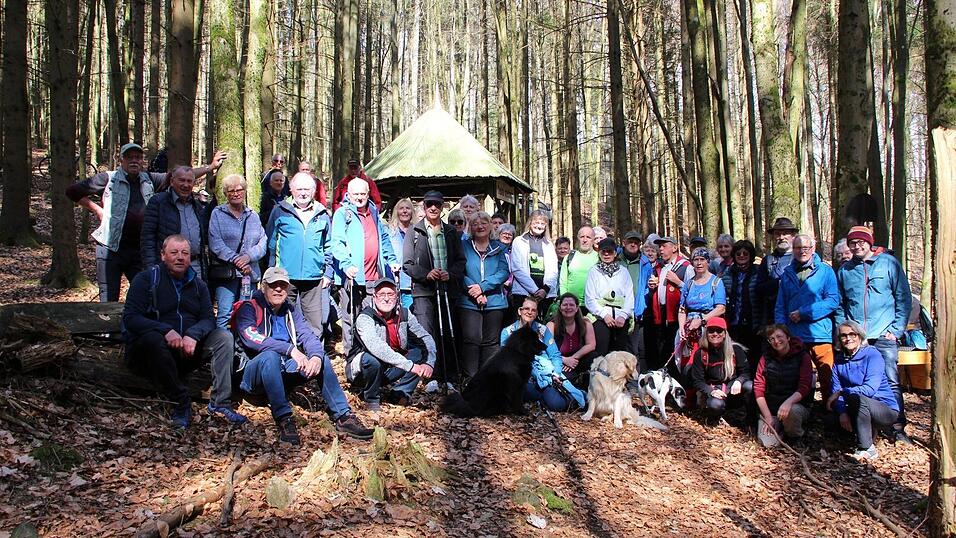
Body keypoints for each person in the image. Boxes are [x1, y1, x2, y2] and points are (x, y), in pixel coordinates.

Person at [66, 143, 225, 301]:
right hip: (110, 249)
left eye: (138, 157)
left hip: (139, 251)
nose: (134, 161)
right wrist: (96, 209)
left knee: (145, 294)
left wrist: (210, 167)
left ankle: (133, 325)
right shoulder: (108, 178)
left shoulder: (149, 179)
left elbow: (179, 177)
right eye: (129, 157)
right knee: (108, 298)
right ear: (121, 160)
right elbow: (73, 191)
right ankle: (109, 327)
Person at [234, 266, 374, 444]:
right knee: (270, 356)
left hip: (283, 370)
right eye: (273, 285)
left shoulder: (290, 310)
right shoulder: (249, 308)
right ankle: (284, 419)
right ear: (263, 287)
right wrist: (291, 350)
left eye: (283, 286)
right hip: (254, 375)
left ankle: (343, 416)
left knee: (322, 358)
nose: (278, 289)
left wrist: (315, 356)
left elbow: (307, 335)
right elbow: (252, 338)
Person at [122, 235, 241, 428]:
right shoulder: (146, 280)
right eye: (174, 253)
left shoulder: (198, 285)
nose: (180, 257)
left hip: (186, 353)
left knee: (224, 337)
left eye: (185, 253)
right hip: (151, 354)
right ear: (163, 255)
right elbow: (131, 318)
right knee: (153, 339)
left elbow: (208, 319)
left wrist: (193, 334)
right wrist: (165, 330)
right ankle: (181, 401)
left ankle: (221, 403)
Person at [836, 225, 912, 444]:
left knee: (890, 380)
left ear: (870, 243)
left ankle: (897, 428)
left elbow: (903, 298)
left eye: (861, 242)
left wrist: (895, 331)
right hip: (856, 339)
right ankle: (864, 427)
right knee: (856, 380)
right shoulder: (845, 271)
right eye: (853, 243)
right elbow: (841, 305)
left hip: (883, 336)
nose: (857, 246)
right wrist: (845, 331)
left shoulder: (889, 264)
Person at [404, 190, 466, 391]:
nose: (433, 208)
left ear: (442, 208)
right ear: (423, 206)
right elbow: (408, 263)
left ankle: (448, 375)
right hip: (424, 291)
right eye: (429, 204)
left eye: (437, 205)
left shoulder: (450, 232)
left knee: (447, 333)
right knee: (428, 333)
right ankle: (431, 375)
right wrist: (426, 274)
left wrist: (450, 274)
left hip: (447, 290)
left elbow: (460, 261)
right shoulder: (414, 232)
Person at [331, 178, 400, 353]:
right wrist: (346, 265)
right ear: (349, 194)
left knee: (372, 318)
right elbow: (337, 242)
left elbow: (383, 238)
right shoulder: (342, 213)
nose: (360, 197)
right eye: (356, 194)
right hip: (351, 277)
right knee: (350, 318)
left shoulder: (374, 211)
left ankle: (373, 354)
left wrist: (391, 260)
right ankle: (352, 355)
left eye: (363, 194)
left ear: (368, 193)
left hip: (373, 276)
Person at [348, 278, 437, 411]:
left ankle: (400, 392)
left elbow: (425, 338)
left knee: (418, 353)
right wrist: (410, 366)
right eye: (382, 294)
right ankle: (371, 399)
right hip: (362, 372)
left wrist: (429, 362)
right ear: (374, 297)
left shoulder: (405, 314)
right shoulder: (365, 317)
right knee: (371, 359)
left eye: (390, 294)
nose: (386, 299)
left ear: (397, 296)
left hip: (390, 368)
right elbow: (376, 347)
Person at [265, 173, 333, 339]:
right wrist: (271, 271)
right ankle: (286, 356)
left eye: (307, 189)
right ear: (291, 190)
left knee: (315, 323)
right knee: (283, 318)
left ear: (314, 191)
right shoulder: (280, 210)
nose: (303, 193)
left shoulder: (322, 213)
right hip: (285, 277)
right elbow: (271, 243)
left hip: (314, 278)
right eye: (299, 189)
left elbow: (328, 246)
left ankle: (315, 357)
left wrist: (328, 273)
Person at [775, 234, 839, 402]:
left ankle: (830, 413)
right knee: (799, 378)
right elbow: (781, 305)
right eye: (797, 248)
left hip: (820, 334)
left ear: (813, 249)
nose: (802, 251)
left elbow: (833, 301)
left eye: (805, 248)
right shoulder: (787, 273)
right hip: (795, 335)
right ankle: (802, 413)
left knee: (827, 377)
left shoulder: (825, 271)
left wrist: (804, 313)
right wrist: (781, 331)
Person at [827, 320, 900, 461]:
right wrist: (842, 412)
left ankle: (867, 448)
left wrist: (842, 392)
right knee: (830, 418)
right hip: (856, 405)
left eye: (852, 334)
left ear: (859, 336)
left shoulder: (872, 355)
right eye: (843, 336)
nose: (848, 338)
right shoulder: (839, 360)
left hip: (885, 408)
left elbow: (870, 389)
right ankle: (860, 436)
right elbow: (835, 389)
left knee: (858, 399)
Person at [501, 297, 586, 411]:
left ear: (536, 314)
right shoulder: (507, 332)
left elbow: (555, 355)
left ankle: (579, 395)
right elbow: (506, 359)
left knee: (557, 405)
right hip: (521, 375)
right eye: (526, 308)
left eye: (533, 310)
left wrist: (556, 373)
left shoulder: (543, 330)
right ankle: (541, 399)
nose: (529, 312)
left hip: (545, 374)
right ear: (519, 311)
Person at [141, 165, 222, 279]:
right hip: (168, 266)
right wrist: (151, 267)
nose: (185, 185)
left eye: (189, 181)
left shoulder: (197, 206)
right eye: (181, 180)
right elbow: (148, 238)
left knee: (195, 296)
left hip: (195, 265)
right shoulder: (158, 202)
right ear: (172, 181)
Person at [207, 174, 267, 327]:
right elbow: (216, 243)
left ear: (245, 191)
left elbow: (263, 242)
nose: (235, 193)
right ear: (225, 193)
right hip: (226, 274)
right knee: (224, 314)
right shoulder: (217, 214)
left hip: (249, 274)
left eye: (239, 190)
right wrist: (236, 260)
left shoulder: (253, 215)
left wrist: (248, 257)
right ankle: (224, 348)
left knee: (247, 315)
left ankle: (243, 349)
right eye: (231, 190)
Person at [458, 212, 511, 385]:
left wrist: (482, 288)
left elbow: (503, 272)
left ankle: (488, 379)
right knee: (471, 339)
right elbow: (459, 271)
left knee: (491, 342)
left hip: (495, 301)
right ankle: (470, 379)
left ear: (490, 226)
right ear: (470, 227)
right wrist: (474, 291)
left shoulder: (499, 248)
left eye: (484, 223)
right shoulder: (463, 246)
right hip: (468, 301)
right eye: (475, 224)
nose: (480, 226)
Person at [753, 325, 814, 447]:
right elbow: (758, 388)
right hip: (772, 408)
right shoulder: (765, 358)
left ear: (788, 338)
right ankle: (779, 429)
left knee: (793, 412)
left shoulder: (803, 357)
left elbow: (804, 386)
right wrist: (768, 417)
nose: (776, 341)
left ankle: (795, 435)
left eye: (779, 336)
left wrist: (789, 402)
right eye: (772, 339)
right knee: (768, 444)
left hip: (795, 406)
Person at [690, 317, 752, 420]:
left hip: (733, 389)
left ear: (725, 334)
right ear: (706, 334)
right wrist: (711, 391)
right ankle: (717, 417)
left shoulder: (735, 350)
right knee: (715, 405)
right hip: (715, 390)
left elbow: (746, 372)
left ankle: (748, 419)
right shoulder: (701, 354)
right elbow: (697, 381)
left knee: (749, 386)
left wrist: (739, 381)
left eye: (719, 330)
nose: (715, 334)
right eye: (711, 331)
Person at [646, 236, 691, 370]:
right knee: (661, 348)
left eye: (664, 246)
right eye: (659, 247)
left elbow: (691, 291)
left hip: (677, 315)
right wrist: (653, 286)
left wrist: (678, 282)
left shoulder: (685, 267)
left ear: (674, 248)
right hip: (660, 314)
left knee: (674, 348)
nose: (660, 249)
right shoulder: (659, 267)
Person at [585, 238, 634, 356]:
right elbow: (589, 299)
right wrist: (604, 315)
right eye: (603, 252)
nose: (607, 254)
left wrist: (623, 316)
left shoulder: (623, 272)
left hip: (620, 320)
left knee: (620, 355)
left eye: (610, 251)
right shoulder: (593, 271)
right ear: (599, 253)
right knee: (601, 354)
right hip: (601, 319)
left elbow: (629, 297)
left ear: (615, 253)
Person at [677, 248, 726, 359]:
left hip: (710, 330)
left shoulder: (716, 282)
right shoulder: (689, 284)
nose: (699, 263)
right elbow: (682, 309)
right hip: (690, 331)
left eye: (702, 259)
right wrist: (681, 327)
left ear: (708, 262)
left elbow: (721, 308)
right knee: (688, 363)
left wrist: (702, 320)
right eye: (696, 260)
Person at [721, 240, 763, 368]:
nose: (742, 256)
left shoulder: (759, 272)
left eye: (745, 253)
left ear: (751, 255)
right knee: (736, 356)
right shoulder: (728, 273)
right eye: (738, 253)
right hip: (733, 322)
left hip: (753, 322)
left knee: (754, 357)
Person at [510, 210, 559, 320]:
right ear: (530, 223)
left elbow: (553, 270)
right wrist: (535, 290)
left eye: (542, 223)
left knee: (542, 330)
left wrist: (545, 290)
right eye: (536, 222)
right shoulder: (519, 241)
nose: (539, 226)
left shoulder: (549, 245)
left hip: (545, 295)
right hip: (523, 293)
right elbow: (517, 268)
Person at [619, 231, 654, 367]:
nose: (633, 244)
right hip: (614, 310)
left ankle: (634, 381)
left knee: (633, 349)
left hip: (635, 311)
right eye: (630, 242)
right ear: (624, 243)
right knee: (617, 348)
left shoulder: (644, 263)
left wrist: (643, 304)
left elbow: (647, 286)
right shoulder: (615, 258)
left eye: (636, 242)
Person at [547, 293, 597, 389]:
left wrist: (574, 358)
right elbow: (547, 349)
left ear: (577, 308)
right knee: (567, 381)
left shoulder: (585, 323)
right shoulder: (552, 325)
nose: (568, 307)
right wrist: (565, 360)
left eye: (571, 305)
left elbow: (591, 344)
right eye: (565, 305)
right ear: (560, 307)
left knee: (593, 357)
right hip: (559, 361)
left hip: (577, 360)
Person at [756, 217, 798, 324]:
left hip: (797, 314)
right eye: (778, 234)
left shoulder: (800, 258)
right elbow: (759, 289)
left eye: (785, 233)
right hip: (774, 315)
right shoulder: (768, 260)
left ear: (793, 236)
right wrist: (778, 283)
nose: (781, 237)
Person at [558, 226, 598, 308]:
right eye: (582, 237)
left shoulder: (599, 258)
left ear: (593, 240)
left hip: (593, 306)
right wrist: (565, 302)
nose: (585, 240)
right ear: (578, 239)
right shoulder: (569, 257)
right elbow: (563, 283)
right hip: (571, 306)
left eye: (588, 237)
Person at [388, 197, 415, 309]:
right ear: (396, 212)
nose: (404, 211)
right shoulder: (389, 232)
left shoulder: (417, 231)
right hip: (394, 280)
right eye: (401, 208)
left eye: (408, 208)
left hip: (412, 283)